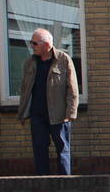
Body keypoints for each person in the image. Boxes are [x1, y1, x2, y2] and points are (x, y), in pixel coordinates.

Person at [17, 28, 78, 175]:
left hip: (59, 115)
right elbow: (24, 89)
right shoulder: (30, 63)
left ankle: (65, 184)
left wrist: (71, 112)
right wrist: (22, 112)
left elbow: (72, 88)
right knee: (39, 149)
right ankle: (43, 183)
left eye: (35, 43)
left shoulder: (63, 60)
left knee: (62, 149)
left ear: (47, 45)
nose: (32, 46)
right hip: (37, 115)